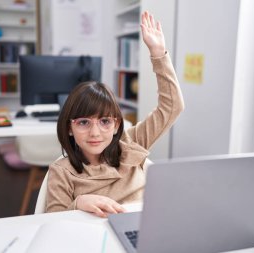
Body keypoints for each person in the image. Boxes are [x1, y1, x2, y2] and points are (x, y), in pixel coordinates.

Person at [46, 11, 184, 218]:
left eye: (104, 121)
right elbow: (52, 221)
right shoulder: (62, 171)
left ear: (117, 125)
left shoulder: (132, 143)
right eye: (83, 122)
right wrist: (79, 202)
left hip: (144, 230)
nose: (95, 132)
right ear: (69, 128)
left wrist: (159, 54)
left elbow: (172, 106)